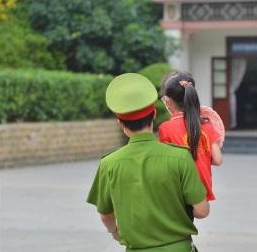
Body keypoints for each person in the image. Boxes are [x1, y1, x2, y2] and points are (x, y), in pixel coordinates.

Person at [87, 73, 209, 251]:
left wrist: (115, 232)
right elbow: (201, 211)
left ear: (120, 123)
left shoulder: (109, 164)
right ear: (153, 114)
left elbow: (105, 215)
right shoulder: (181, 157)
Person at [159, 71, 223, 204]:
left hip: (179, 191)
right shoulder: (206, 125)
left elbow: (164, 165)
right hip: (202, 191)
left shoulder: (165, 128)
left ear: (168, 102)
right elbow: (217, 160)